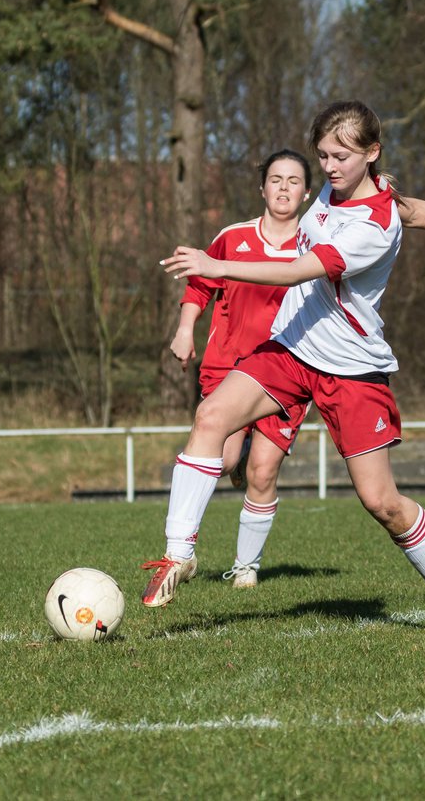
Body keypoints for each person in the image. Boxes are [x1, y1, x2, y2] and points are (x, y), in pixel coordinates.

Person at [153, 99, 425, 632]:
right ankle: (179, 555)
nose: (330, 167)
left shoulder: (371, 226)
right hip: (292, 348)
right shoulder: (350, 190)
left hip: (351, 369)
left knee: (381, 503)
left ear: (372, 152)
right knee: (210, 417)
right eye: (324, 156)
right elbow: (415, 209)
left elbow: (296, 272)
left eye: (341, 156)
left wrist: (213, 264)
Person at [167, 148, 313, 590]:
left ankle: (246, 567)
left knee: (263, 472)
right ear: (262, 188)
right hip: (227, 368)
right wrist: (185, 328)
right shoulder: (233, 237)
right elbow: (200, 285)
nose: (284, 187)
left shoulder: (315, 243)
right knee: (226, 456)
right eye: (275, 179)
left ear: (306, 193)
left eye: (293, 181)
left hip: (288, 371)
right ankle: (182, 545)